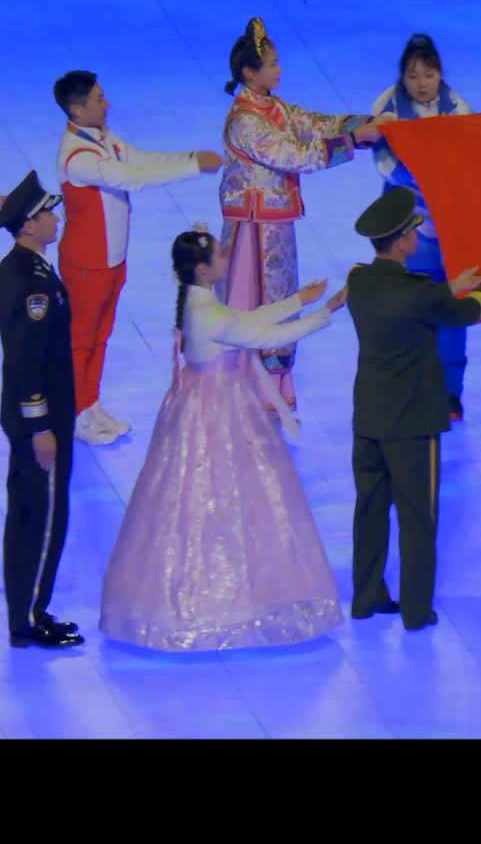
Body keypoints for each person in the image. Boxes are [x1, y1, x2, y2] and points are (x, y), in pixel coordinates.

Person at [97, 228, 349, 650]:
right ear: (202, 268)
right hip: (219, 408)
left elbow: (246, 321)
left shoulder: (199, 303)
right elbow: (265, 337)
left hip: (203, 400)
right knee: (229, 493)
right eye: (219, 254)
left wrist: (297, 301)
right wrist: (327, 311)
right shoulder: (208, 314)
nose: (225, 258)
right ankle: (228, 601)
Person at [345, 189, 481, 631]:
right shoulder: (417, 293)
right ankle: (416, 609)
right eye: (413, 230)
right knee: (417, 516)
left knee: (370, 510)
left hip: (370, 417)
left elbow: (416, 299)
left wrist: (450, 286)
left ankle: (366, 597)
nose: (417, 235)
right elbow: (465, 313)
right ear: (401, 241)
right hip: (412, 422)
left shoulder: (361, 280)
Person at [219, 17, 384, 408]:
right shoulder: (245, 121)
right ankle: (252, 394)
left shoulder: (274, 108)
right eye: (272, 64)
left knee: (280, 300)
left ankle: (273, 391)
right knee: (260, 304)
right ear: (250, 73)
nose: (280, 69)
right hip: (252, 232)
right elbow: (295, 155)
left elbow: (315, 124)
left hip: (275, 226)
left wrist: (366, 124)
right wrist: (352, 141)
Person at [53, 70, 222, 445]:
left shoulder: (102, 137)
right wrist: (192, 167)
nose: (107, 104)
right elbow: (131, 178)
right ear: (78, 110)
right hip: (86, 263)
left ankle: (90, 404)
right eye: (99, 99)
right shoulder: (76, 156)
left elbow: (141, 159)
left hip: (112, 259)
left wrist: (190, 156)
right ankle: (75, 413)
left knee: (101, 336)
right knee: (81, 340)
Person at [371, 33, 478, 420]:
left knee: (452, 306)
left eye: (428, 74)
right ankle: (411, 386)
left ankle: (450, 393)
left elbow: (469, 159)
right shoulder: (388, 106)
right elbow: (384, 161)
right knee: (409, 307)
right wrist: (428, 178)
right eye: (413, 75)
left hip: (449, 223)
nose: (421, 83)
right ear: (402, 76)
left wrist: (443, 179)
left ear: (440, 74)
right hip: (405, 223)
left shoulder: (458, 108)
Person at [0, 173, 83, 649]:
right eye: (47, 212)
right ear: (28, 226)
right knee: (45, 518)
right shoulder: (33, 285)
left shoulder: (21, 269)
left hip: (25, 418)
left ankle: (24, 610)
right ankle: (31, 617)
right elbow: (27, 361)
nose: (55, 217)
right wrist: (42, 427)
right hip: (42, 421)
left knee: (24, 516)